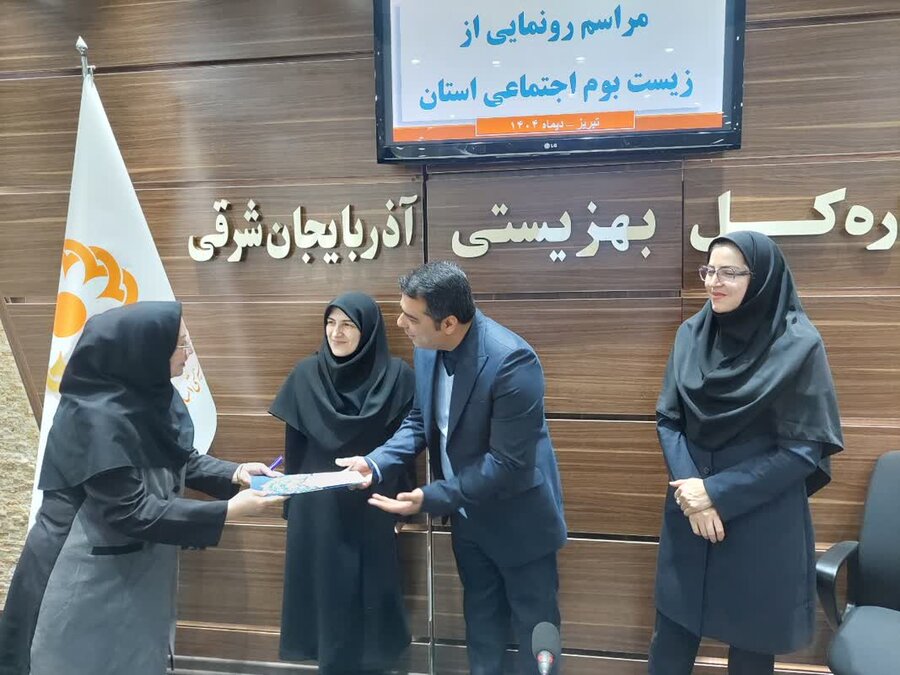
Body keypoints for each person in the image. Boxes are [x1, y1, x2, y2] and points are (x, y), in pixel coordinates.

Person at [0, 301, 284, 675]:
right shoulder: (93, 417)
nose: (188, 353)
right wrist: (229, 511)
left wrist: (238, 473)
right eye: (180, 344)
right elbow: (130, 510)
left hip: (138, 570)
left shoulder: (152, 394)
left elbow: (179, 459)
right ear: (145, 348)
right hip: (82, 576)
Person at [337, 261, 567, 675]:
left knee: (537, 636)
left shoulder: (512, 361)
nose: (400, 324)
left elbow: (508, 464)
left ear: (448, 323)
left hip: (520, 524)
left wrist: (429, 498)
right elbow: (419, 421)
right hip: (469, 521)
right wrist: (375, 462)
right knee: (481, 630)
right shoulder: (427, 349)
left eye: (411, 317)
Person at [649, 232, 844, 674]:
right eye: (709, 271)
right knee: (671, 642)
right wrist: (693, 495)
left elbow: (802, 450)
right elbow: (669, 418)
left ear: (761, 279)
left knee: (751, 655)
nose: (714, 282)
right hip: (690, 515)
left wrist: (715, 493)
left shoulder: (799, 345)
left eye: (730, 273)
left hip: (759, 522)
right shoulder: (691, 334)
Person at [268, 292, 416, 674]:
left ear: (368, 331)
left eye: (348, 324)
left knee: (370, 596)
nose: (337, 333)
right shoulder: (306, 374)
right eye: (331, 323)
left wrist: (404, 506)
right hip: (317, 508)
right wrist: (291, 505)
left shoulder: (397, 376)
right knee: (324, 597)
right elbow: (294, 449)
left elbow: (408, 445)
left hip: (373, 501)